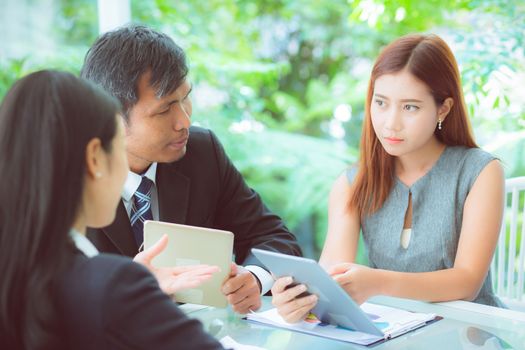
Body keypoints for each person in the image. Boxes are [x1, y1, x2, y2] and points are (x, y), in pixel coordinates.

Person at [271, 34, 505, 323]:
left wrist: (377, 282)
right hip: (394, 333)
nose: (390, 123)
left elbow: (466, 282)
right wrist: (302, 300)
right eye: (381, 103)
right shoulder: (352, 182)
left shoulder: (481, 171)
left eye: (410, 107)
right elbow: (333, 273)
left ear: (443, 108)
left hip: (472, 334)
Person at [80, 25, 302, 314]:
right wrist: (128, 290)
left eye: (185, 98)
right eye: (164, 109)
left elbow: (274, 236)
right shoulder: (64, 182)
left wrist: (254, 279)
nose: (184, 120)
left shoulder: (201, 152)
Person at [0, 70, 225, 349]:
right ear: (95, 158)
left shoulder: (17, 273)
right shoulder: (112, 285)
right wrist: (129, 290)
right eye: (119, 146)